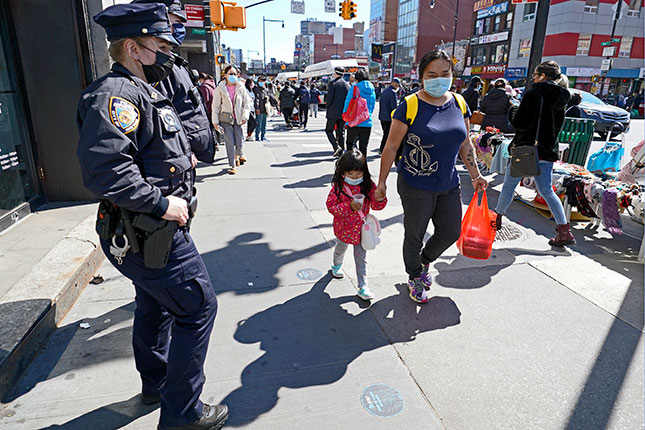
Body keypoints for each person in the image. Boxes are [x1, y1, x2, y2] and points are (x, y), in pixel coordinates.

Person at [77, 4, 228, 430]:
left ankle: (157, 383)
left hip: (148, 230)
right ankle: (183, 415)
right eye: (160, 45)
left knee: (155, 304)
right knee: (197, 308)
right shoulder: (116, 96)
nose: (168, 54)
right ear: (132, 47)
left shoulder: (144, 90)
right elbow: (106, 170)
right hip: (151, 229)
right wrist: (163, 204)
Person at [375, 50, 487, 304]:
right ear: (422, 76)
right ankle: (414, 276)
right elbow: (391, 146)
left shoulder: (459, 103)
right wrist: (381, 182)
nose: (439, 79)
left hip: (448, 183)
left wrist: (476, 175)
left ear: (452, 75)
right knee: (414, 234)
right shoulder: (410, 105)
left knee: (450, 232)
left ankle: (423, 262)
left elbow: (465, 144)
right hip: (415, 184)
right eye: (432, 75)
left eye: (445, 74)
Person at [494, 60, 574, 247]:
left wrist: (513, 109)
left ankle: (496, 219)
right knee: (546, 190)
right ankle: (564, 230)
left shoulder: (534, 93)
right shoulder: (562, 96)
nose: (534, 78)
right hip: (547, 150)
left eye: (536, 74)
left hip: (526, 149)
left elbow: (520, 123)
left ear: (543, 76)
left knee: (508, 185)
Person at [133, 0, 214, 169]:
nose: (178, 28)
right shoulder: (156, 66)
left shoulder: (173, 63)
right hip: (171, 160)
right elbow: (162, 117)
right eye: (175, 22)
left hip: (180, 158)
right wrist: (183, 150)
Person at [326, 149, 387, 300]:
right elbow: (331, 206)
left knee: (361, 258)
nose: (354, 177)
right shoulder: (338, 187)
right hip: (344, 229)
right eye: (350, 174)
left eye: (358, 173)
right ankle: (336, 264)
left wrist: (379, 199)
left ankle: (363, 286)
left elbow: (376, 205)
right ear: (342, 172)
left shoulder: (367, 185)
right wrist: (349, 207)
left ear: (364, 172)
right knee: (341, 248)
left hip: (362, 231)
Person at [212, 65, 251, 174]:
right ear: (225, 75)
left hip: (238, 119)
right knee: (229, 142)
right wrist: (215, 121)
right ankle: (232, 165)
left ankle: (238, 154)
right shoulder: (220, 88)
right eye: (230, 74)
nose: (233, 76)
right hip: (226, 120)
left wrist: (245, 116)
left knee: (239, 142)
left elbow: (247, 103)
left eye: (235, 74)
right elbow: (215, 106)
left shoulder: (241, 87)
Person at [343, 69, 376, 155]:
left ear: (357, 79)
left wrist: (346, 116)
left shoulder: (354, 88)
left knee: (350, 146)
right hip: (367, 122)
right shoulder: (372, 89)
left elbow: (348, 103)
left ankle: (350, 167)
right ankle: (363, 167)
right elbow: (372, 106)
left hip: (354, 122)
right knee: (363, 149)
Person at [325, 67, 350, 157]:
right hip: (343, 112)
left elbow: (329, 99)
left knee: (328, 130)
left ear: (336, 73)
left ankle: (336, 147)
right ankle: (341, 152)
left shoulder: (333, 83)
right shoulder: (347, 85)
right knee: (341, 132)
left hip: (333, 112)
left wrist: (327, 105)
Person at [378, 78, 400, 154]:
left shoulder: (384, 91)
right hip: (388, 118)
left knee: (385, 133)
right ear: (395, 84)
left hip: (382, 116)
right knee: (387, 135)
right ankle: (382, 149)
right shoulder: (393, 93)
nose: (397, 87)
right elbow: (393, 107)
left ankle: (382, 149)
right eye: (397, 85)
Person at [253, 75, 269, 142]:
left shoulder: (265, 89)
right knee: (258, 124)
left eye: (263, 81)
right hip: (259, 109)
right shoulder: (256, 89)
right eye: (261, 81)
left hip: (265, 109)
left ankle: (263, 136)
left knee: (263, 124)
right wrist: (257, 108)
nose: (262, 82)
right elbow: (256, 99)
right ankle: (257, 137)